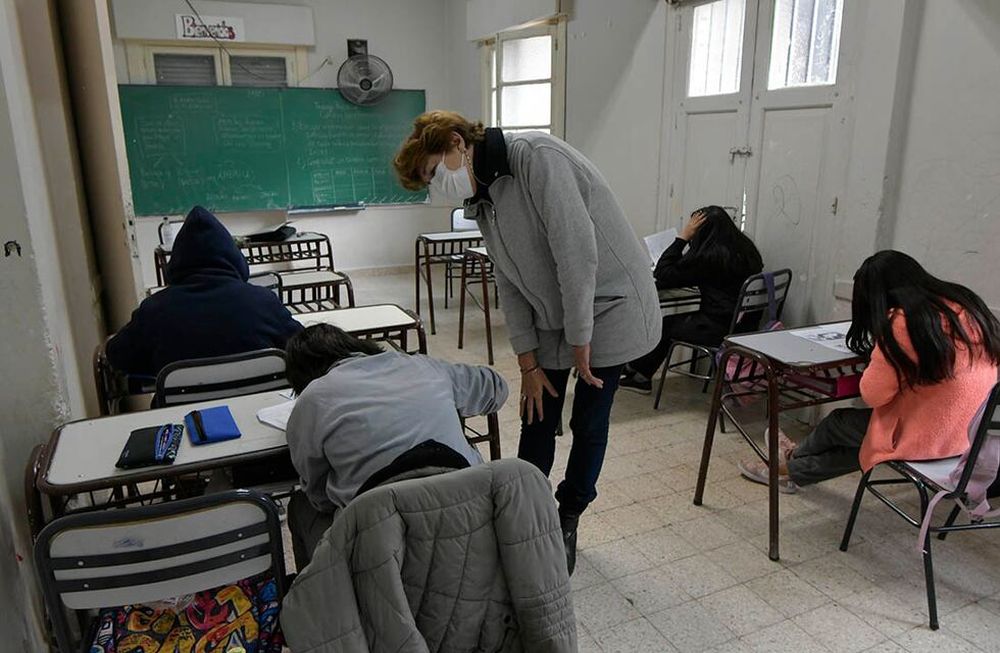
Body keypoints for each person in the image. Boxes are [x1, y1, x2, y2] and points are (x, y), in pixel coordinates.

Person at [393, 111, 660, 574]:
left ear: (457, 143)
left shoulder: (537, 159)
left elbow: (577, 256)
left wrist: (580, 339)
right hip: (557, 310)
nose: (437, 187)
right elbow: (510, 281)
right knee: (537, 413)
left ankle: (568, 516)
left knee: (589, 419)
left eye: (434, 173)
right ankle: (524, 515)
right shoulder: (483, 199)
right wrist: (528, 363)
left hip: (608, 304)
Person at [738, 250, 1000, 493]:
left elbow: (872, 395)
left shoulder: (903, 322)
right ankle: (790, 470)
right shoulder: (965, 306)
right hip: (968, 436)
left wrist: (880, 352)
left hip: (926, 437)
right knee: (863, 442)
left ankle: (788, 463)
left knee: (839, 424)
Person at [283, 324, 509, 567]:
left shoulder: (311, 401)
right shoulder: (422, 366)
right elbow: (496, 388)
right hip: (470, 512)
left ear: (300, 379)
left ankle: (318, 592)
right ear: (354, 346)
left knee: (301, 507)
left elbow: (318, 495)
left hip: (380, 543)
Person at [106, 205, 302, 377]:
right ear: (234, 257)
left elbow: (118, 357)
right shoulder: (263, 302)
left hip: (182, 415)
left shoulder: (155, 310)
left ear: (177, 262)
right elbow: (300, 347)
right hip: (257, 412)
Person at [620, 206, 764, 393]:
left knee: (666, 324)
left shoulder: (710, 257)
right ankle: (636, 368)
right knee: (670, 323)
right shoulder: (745, 249)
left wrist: (682, 238)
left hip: (719, 328)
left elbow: (664, 274)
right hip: (744, 325)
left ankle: (639, 376)